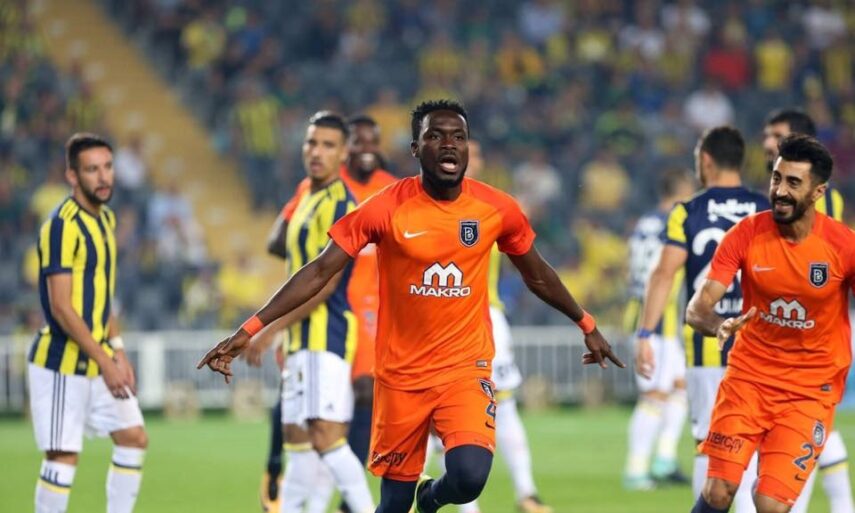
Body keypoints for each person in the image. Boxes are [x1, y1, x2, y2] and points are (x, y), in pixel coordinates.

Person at [198, 99, 624, 513]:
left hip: (464, 368)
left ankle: (431, 499)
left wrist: (586, 323)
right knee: (393, 503)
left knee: (470, 475)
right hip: (401, 376)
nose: (449, 144)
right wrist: (249, 329)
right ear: (416, 148)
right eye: (435, 136)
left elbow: (538, 274)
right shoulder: (386, 207)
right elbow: (319, 271)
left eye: (458, 136)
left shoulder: (496, 208)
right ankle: (411, 498)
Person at [687, 134, 854, 513]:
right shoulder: (746, 234)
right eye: (777, 178)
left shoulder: (843, 246)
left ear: (818, 191)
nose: (779, 190)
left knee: (770, 504)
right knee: (718, 491)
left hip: (809, 393)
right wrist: (718, 324)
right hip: (748, 381)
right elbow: (697, 307)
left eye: (793, 182)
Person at [250, 114, 398, 513]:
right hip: (300, 336)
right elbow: (280, 247)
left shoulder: (340, 203)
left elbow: (324, 284)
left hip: (325, 333)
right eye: (312, 143)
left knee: (326, 437)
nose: (317, 152)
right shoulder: (307, 195)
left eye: (328, 145)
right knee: (298, 442)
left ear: (342, 153)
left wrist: (268, 328)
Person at [634, 126, 769, 510]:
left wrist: (646, 333)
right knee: (753, 443)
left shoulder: (687, 211)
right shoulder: (765, 207)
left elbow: (664, 274)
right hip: (759, 343)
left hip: (706, 342)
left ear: (705, 160)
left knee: (706, 442)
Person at [424, 140, 554, 513]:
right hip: (436, 322)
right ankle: (466, 505)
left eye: (475, 153)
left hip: (486, 318)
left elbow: (524, 222)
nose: (469, 158)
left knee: (505, 405)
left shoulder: (491, 204)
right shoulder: (424, 205)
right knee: (440, 416)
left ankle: (527, 493)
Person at [28, 133, 147, 513]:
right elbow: (62, 308)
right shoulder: (61, 226)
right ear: (72, 176)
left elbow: (104, 296)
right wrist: (105, 361)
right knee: (62, 457)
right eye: (92, 169)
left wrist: (118, 349)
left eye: (108, 167)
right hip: (62, 363)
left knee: (133, 437)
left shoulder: (106, 219)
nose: (103, 176)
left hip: (99, 358)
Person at [761, 108, 854, 513]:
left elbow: (822, 264)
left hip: (810, 336)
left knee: (800, 428)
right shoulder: (780, 191)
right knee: (814, 429)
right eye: (768, 135)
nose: (768, 142)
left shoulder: (817, 199)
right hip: (786, 332)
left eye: (777, 135)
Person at [623, 168, 695, 490]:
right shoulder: (674, 223)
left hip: (645, 311)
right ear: (680, 191)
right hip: (655, 319)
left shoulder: (645, 222)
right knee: (654, 395)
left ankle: (664, 459)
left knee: (680, 385)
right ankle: (636, 469)